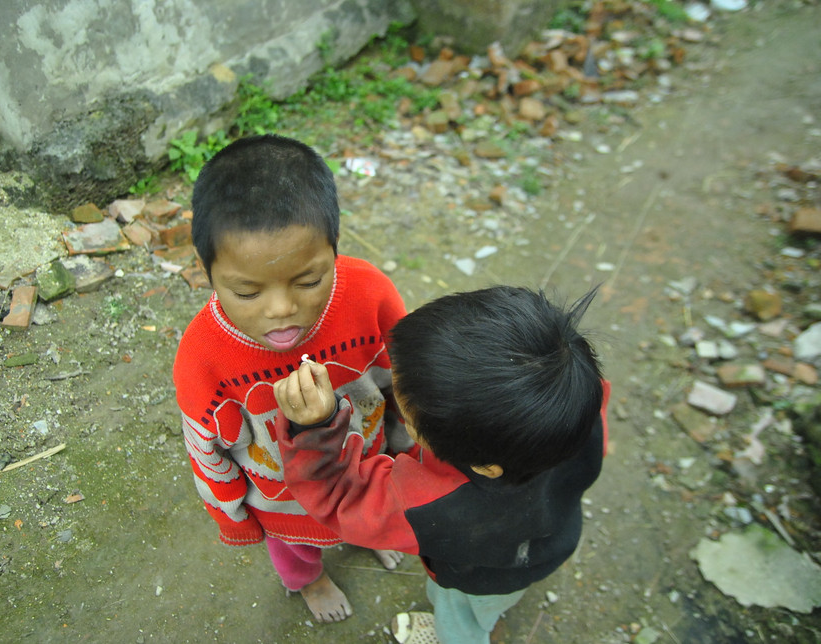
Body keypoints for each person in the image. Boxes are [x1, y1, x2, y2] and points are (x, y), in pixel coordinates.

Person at [272, 285, 611, 643]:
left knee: (461, 617)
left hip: (478, 577)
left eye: (408, 419)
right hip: (547, 543)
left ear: (484, 466)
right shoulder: (577, 405)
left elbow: (343, 500)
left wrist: (313, 430)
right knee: (497, 601)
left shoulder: (433, 502)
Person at [172, 134, 412, 623]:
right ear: (208, 273)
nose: (282, 310)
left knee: (373, 513)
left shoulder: (370, 294)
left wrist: (409, 451)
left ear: (333, 248)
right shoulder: (202, 359)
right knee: (296, 548)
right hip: (284, 505)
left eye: (308, 281)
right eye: (247, 291)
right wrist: (233, 518)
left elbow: (407, 382)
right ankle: (309, 579)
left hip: (368, 468)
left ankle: (371, 535)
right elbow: (206, 453)